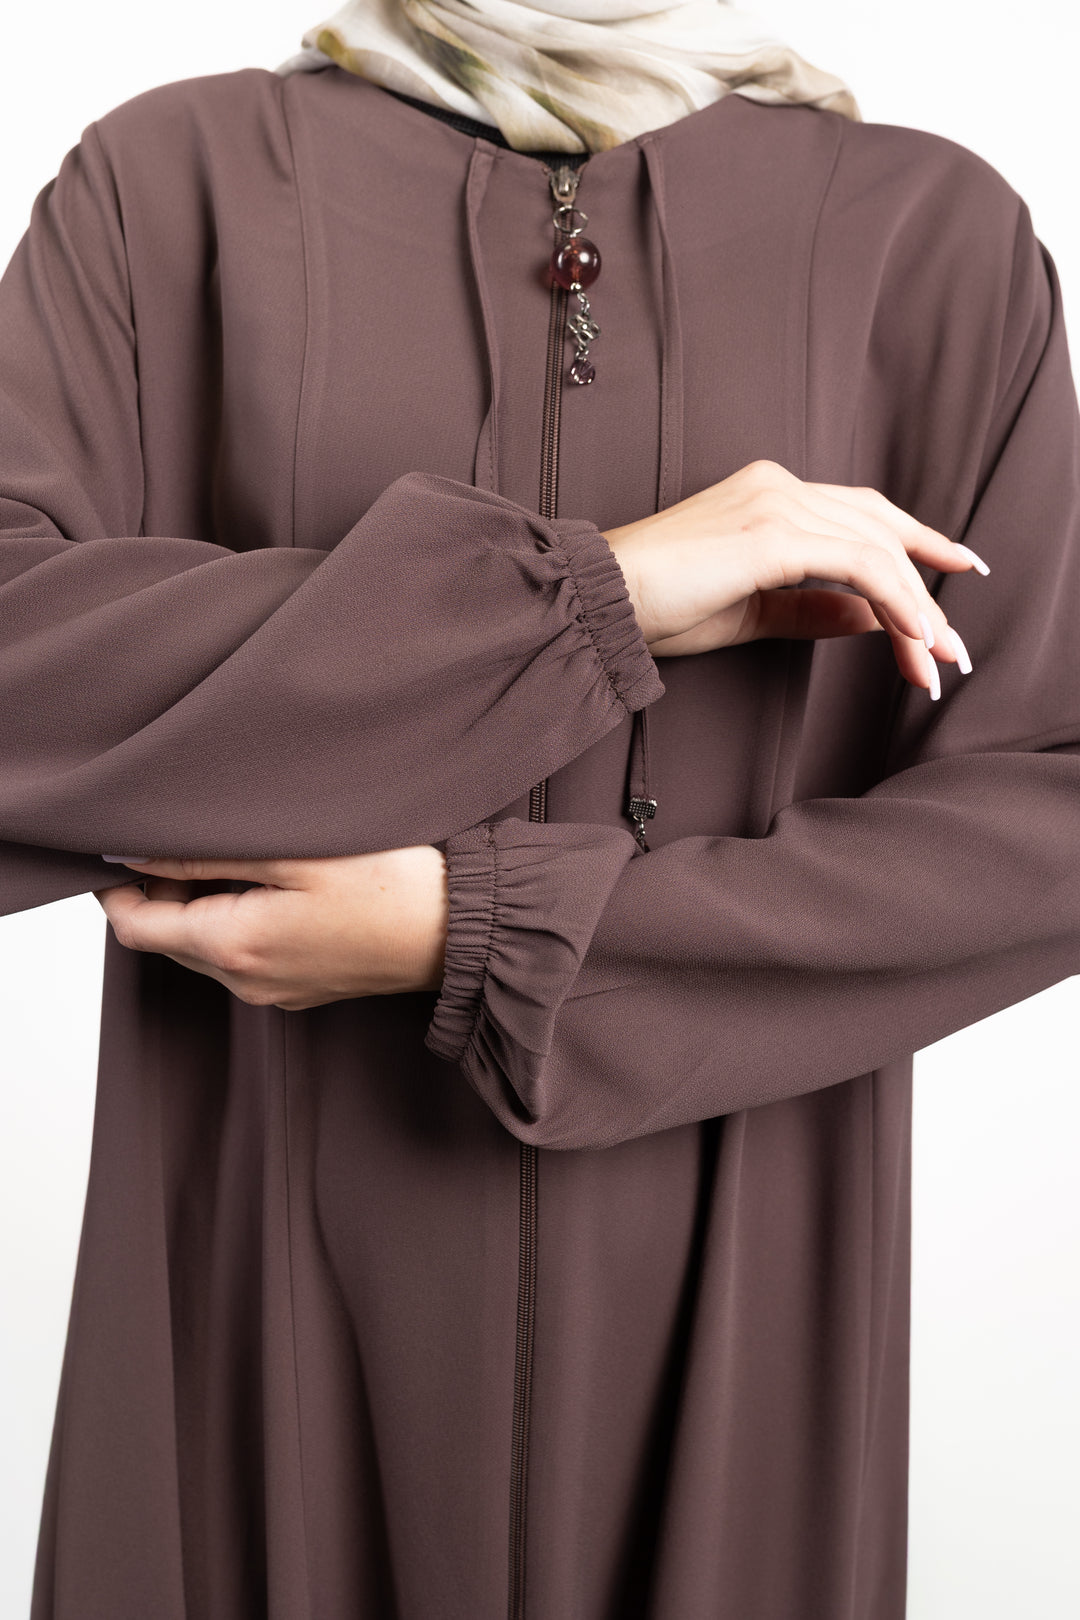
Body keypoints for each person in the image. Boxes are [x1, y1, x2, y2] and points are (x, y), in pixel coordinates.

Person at [1, 1, 1077, 1614]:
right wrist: (603, 594)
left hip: (743, 1287)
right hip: (250, 1264)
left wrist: (488, 932)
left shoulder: (930, 238)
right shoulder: (172, 186)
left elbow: (1050, 811)